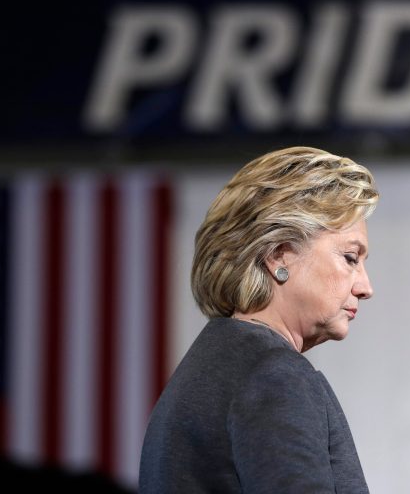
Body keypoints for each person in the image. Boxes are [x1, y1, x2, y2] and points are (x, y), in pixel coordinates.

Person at [139, 146, 378, 493]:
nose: (366, 287)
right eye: (350, 258)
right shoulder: (274, 379)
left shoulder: (212, 369)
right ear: (279, 254)